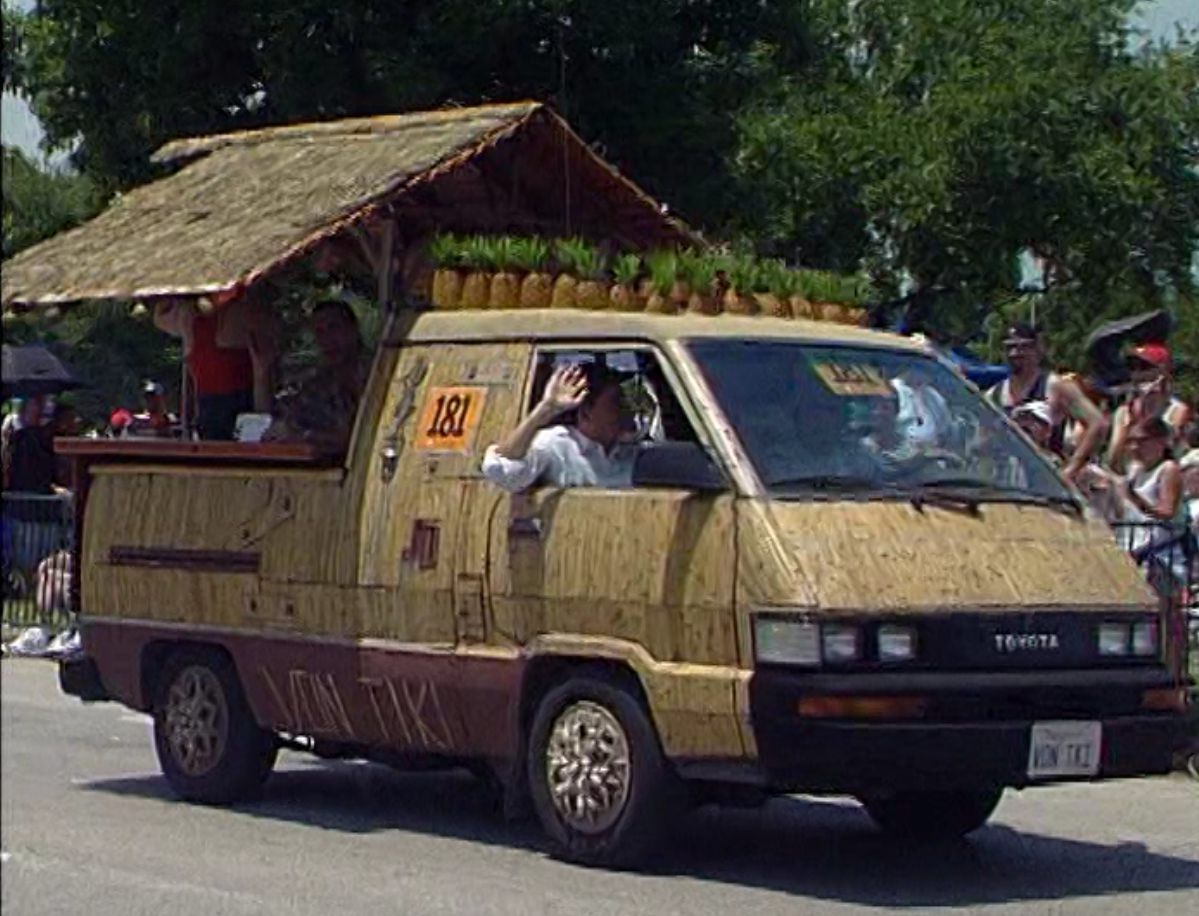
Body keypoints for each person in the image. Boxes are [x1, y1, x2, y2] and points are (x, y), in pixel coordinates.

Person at [482, 363, 638, 492]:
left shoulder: (626, 452)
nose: (628, 410)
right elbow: (504, 473)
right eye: (617, 403)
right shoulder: (555, 444)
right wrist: (546, 409)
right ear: (586, 413)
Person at [987, 323, 1108, 482]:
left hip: (1047, 481)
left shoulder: (1055, 386)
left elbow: (1098, 424)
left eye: (1023, 347)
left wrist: (1071, 469)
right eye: (1009, 347)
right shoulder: (994, 394)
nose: (1014, 353)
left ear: (1037, 349)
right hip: (1006, 480)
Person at [154, 291, 278, 440]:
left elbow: (262, 369)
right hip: (228, 414)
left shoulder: (241, 313)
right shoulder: (244, 313)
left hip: (231, 413)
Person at [262, 300, 370, 455]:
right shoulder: (316, 385)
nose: (328, 339)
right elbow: (279, 422)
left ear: (352, 329)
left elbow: (363, 438)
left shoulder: (379, 373)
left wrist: (309, 436)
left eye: (333, 328)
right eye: (320, 332)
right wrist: (262, 373)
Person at [1106, 343, 1193, 471]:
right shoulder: (1125, 411)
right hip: (1133, 474)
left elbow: (1164, 450)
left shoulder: (1177, 410)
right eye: (1132, 367)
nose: (1137, 373)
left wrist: (1154, 406)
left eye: (1144, 367)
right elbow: (1113, 459)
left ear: (1163, 372)